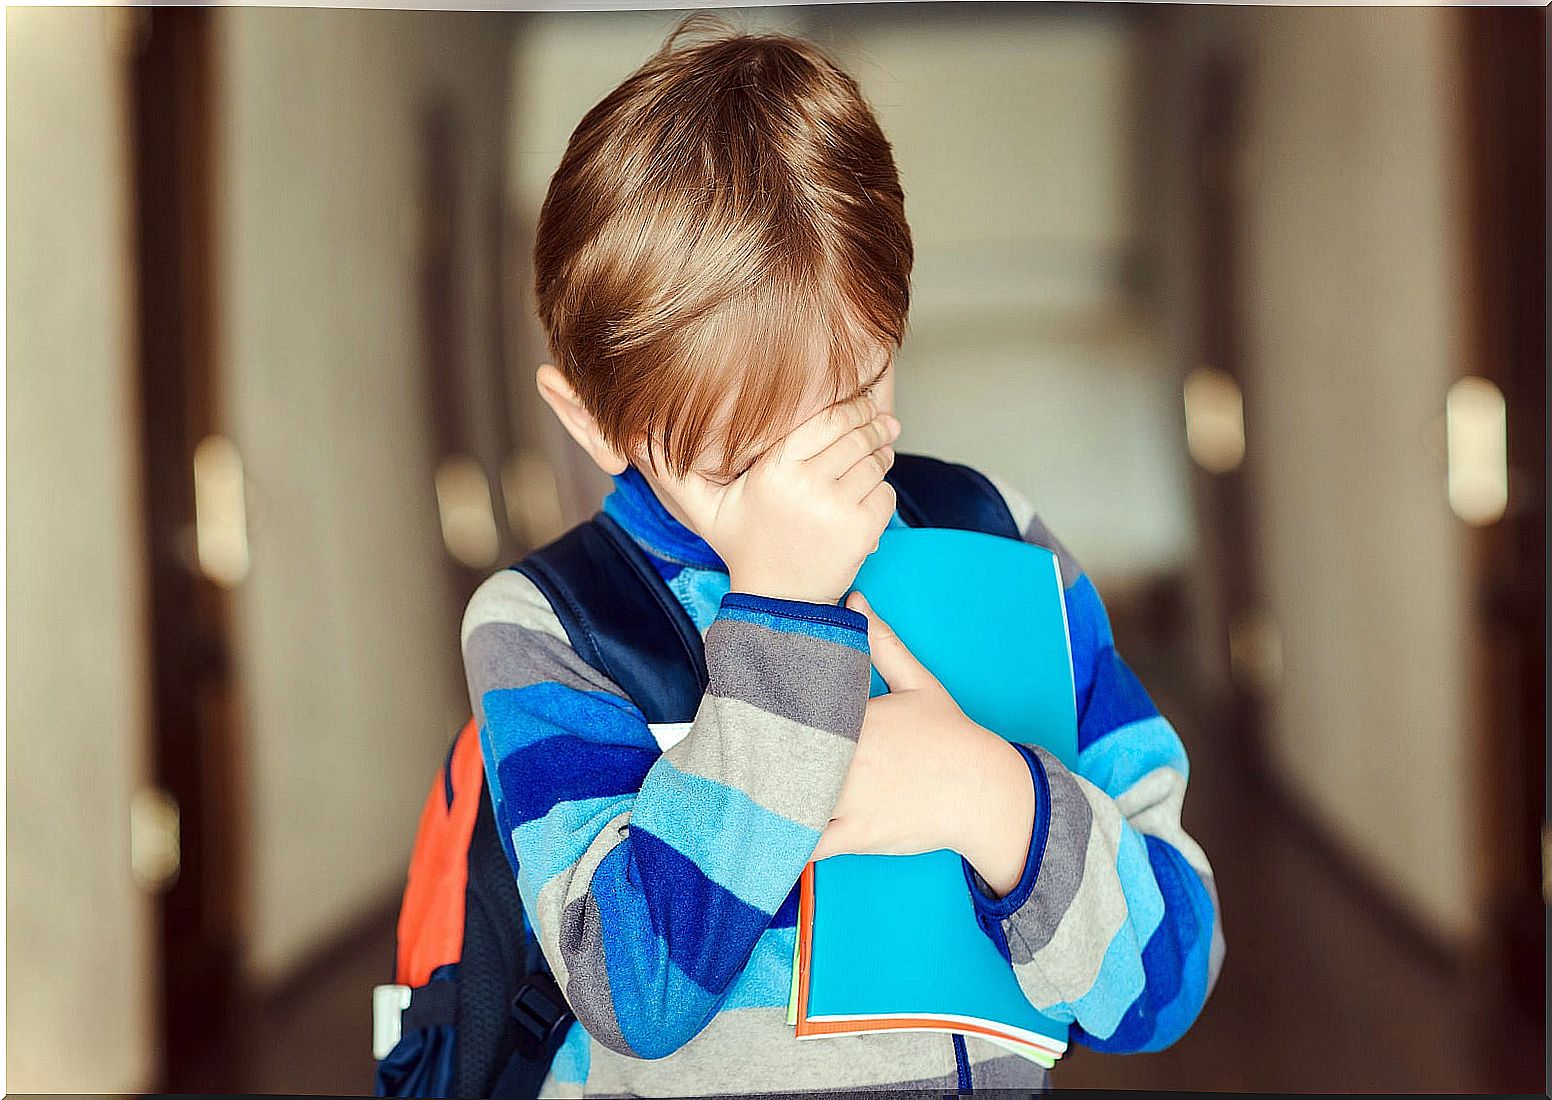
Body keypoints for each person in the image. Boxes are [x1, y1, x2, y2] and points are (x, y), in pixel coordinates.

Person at [461, 13, 1223, 1096]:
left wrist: (996, 798)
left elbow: (1170, 977)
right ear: (593, 422)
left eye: (856, 402)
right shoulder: (554, 624)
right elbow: (630, 989)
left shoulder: (997, 541)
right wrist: (778, 614)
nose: (807, 496)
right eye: (738, 456)